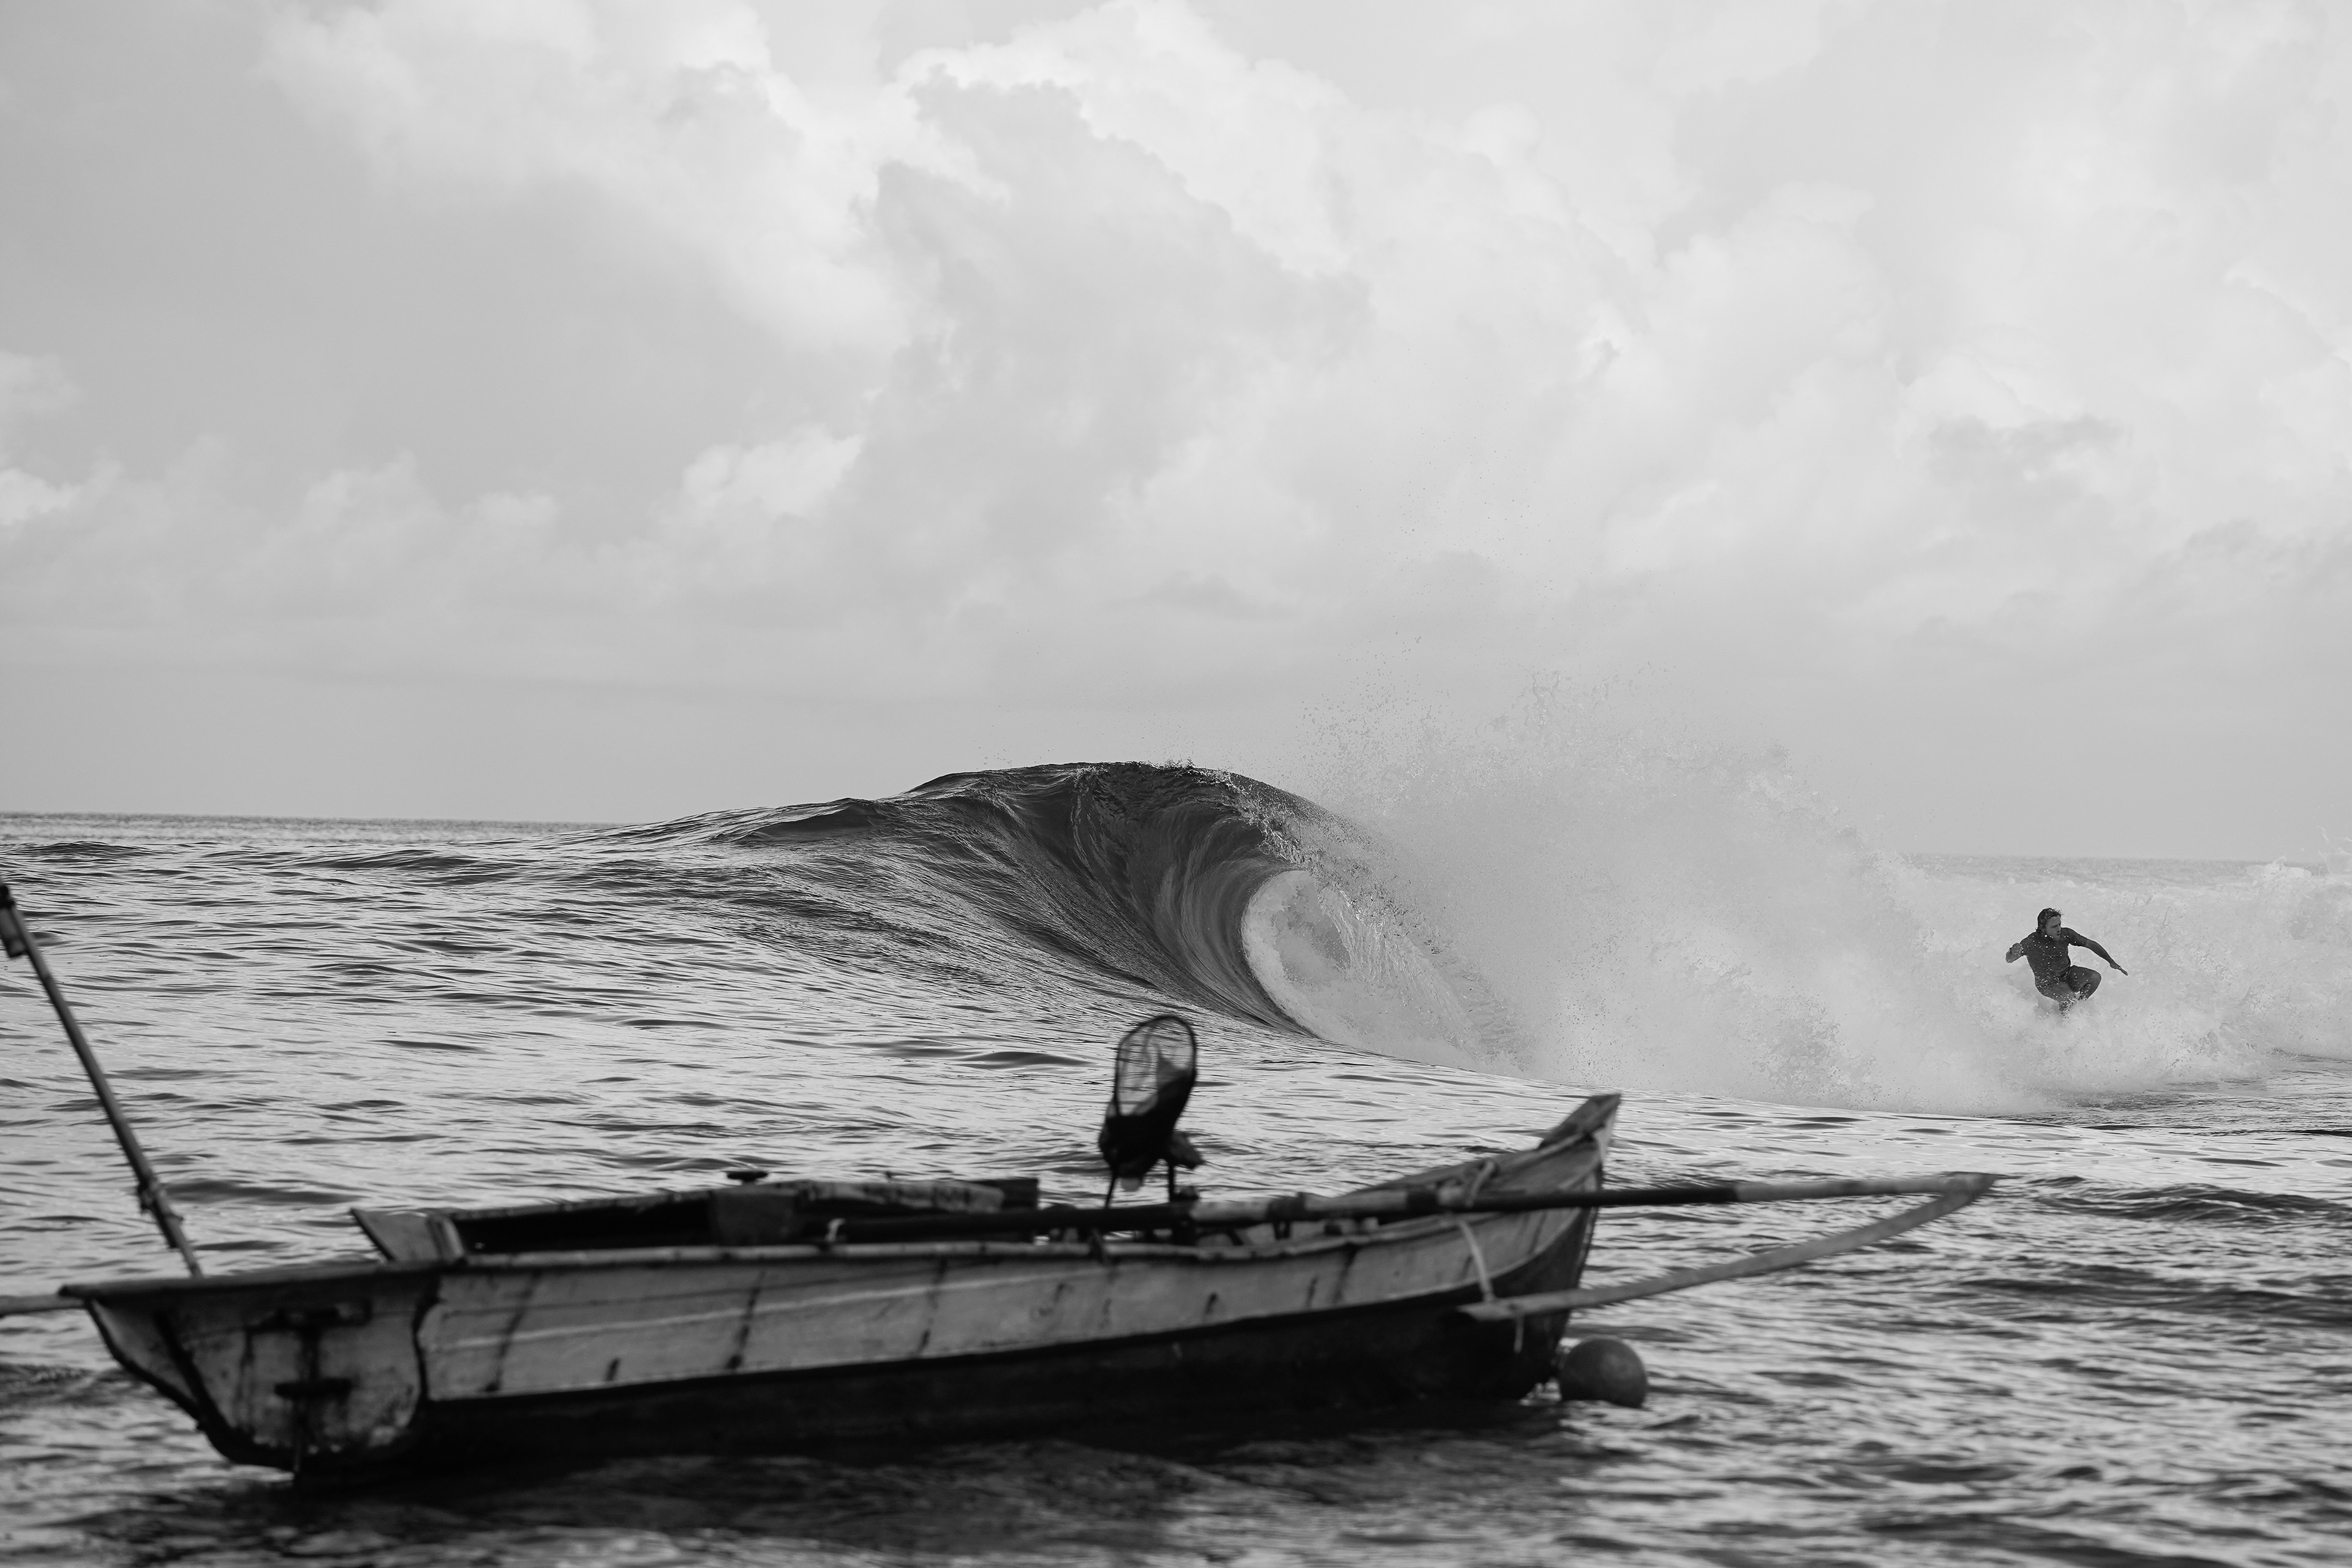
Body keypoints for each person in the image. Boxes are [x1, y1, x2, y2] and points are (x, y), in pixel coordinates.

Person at [2005, 908, 2127, 1011]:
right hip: (2048, 984)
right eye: (2054, 926)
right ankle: (2064, 1023)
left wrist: (2111, 961)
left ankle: (2079, 1007)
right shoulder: (2031, 942)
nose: (2059, 929)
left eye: (2059, 924)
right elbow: (2009, 960)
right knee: (2069, 999)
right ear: (2043, 928)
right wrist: (2012, 952)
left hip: (2067, 975)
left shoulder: (2066, 934)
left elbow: (2091, 944)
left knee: (2095, 977)